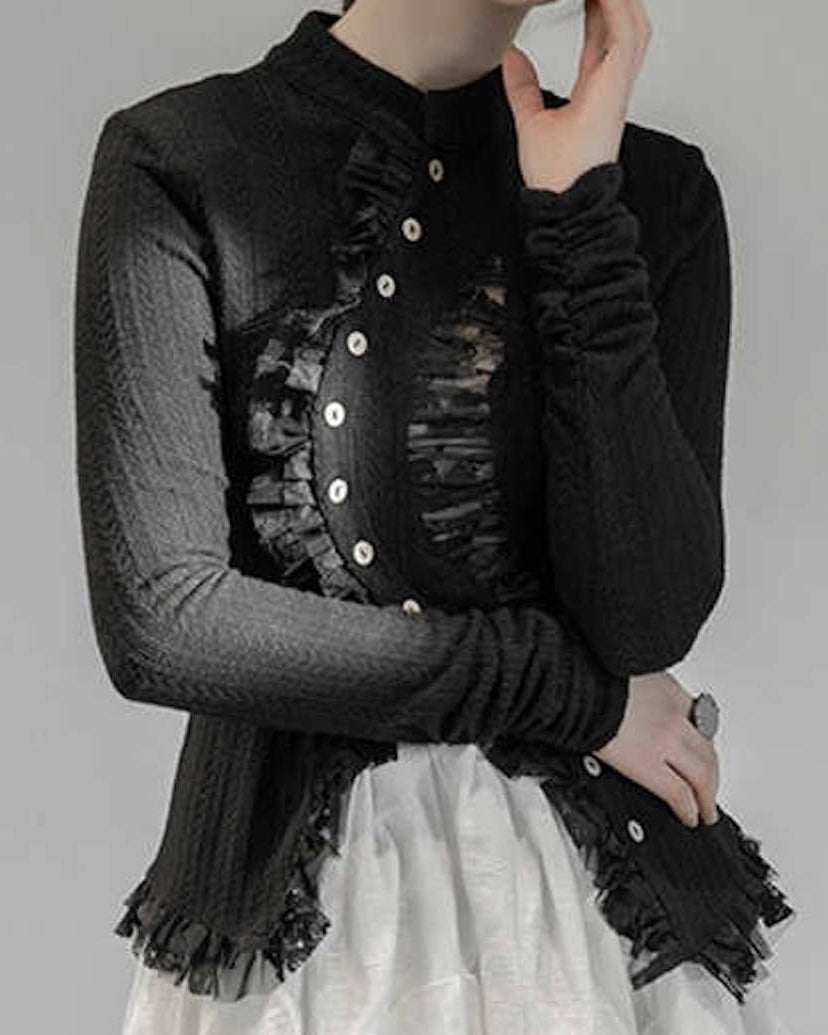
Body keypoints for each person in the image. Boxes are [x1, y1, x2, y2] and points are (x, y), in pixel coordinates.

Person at [73, 1, 797, 1032]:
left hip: (600, 948)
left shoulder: (653, 189)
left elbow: (647, 618)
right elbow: (167, 622)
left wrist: (580, 216)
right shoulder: (184, 159)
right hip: (307, 965)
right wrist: (577, 698)